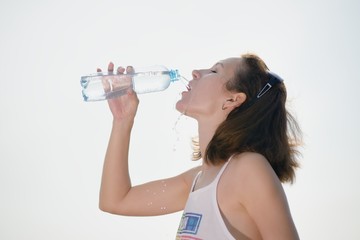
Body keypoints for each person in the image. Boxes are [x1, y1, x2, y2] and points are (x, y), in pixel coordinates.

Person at [98, 54, 302, 240]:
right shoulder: (198, 180)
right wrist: (122, 121)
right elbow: (115, 200)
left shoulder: (248, 169)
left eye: (214, 71)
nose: (196, 72)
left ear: (233, 100)